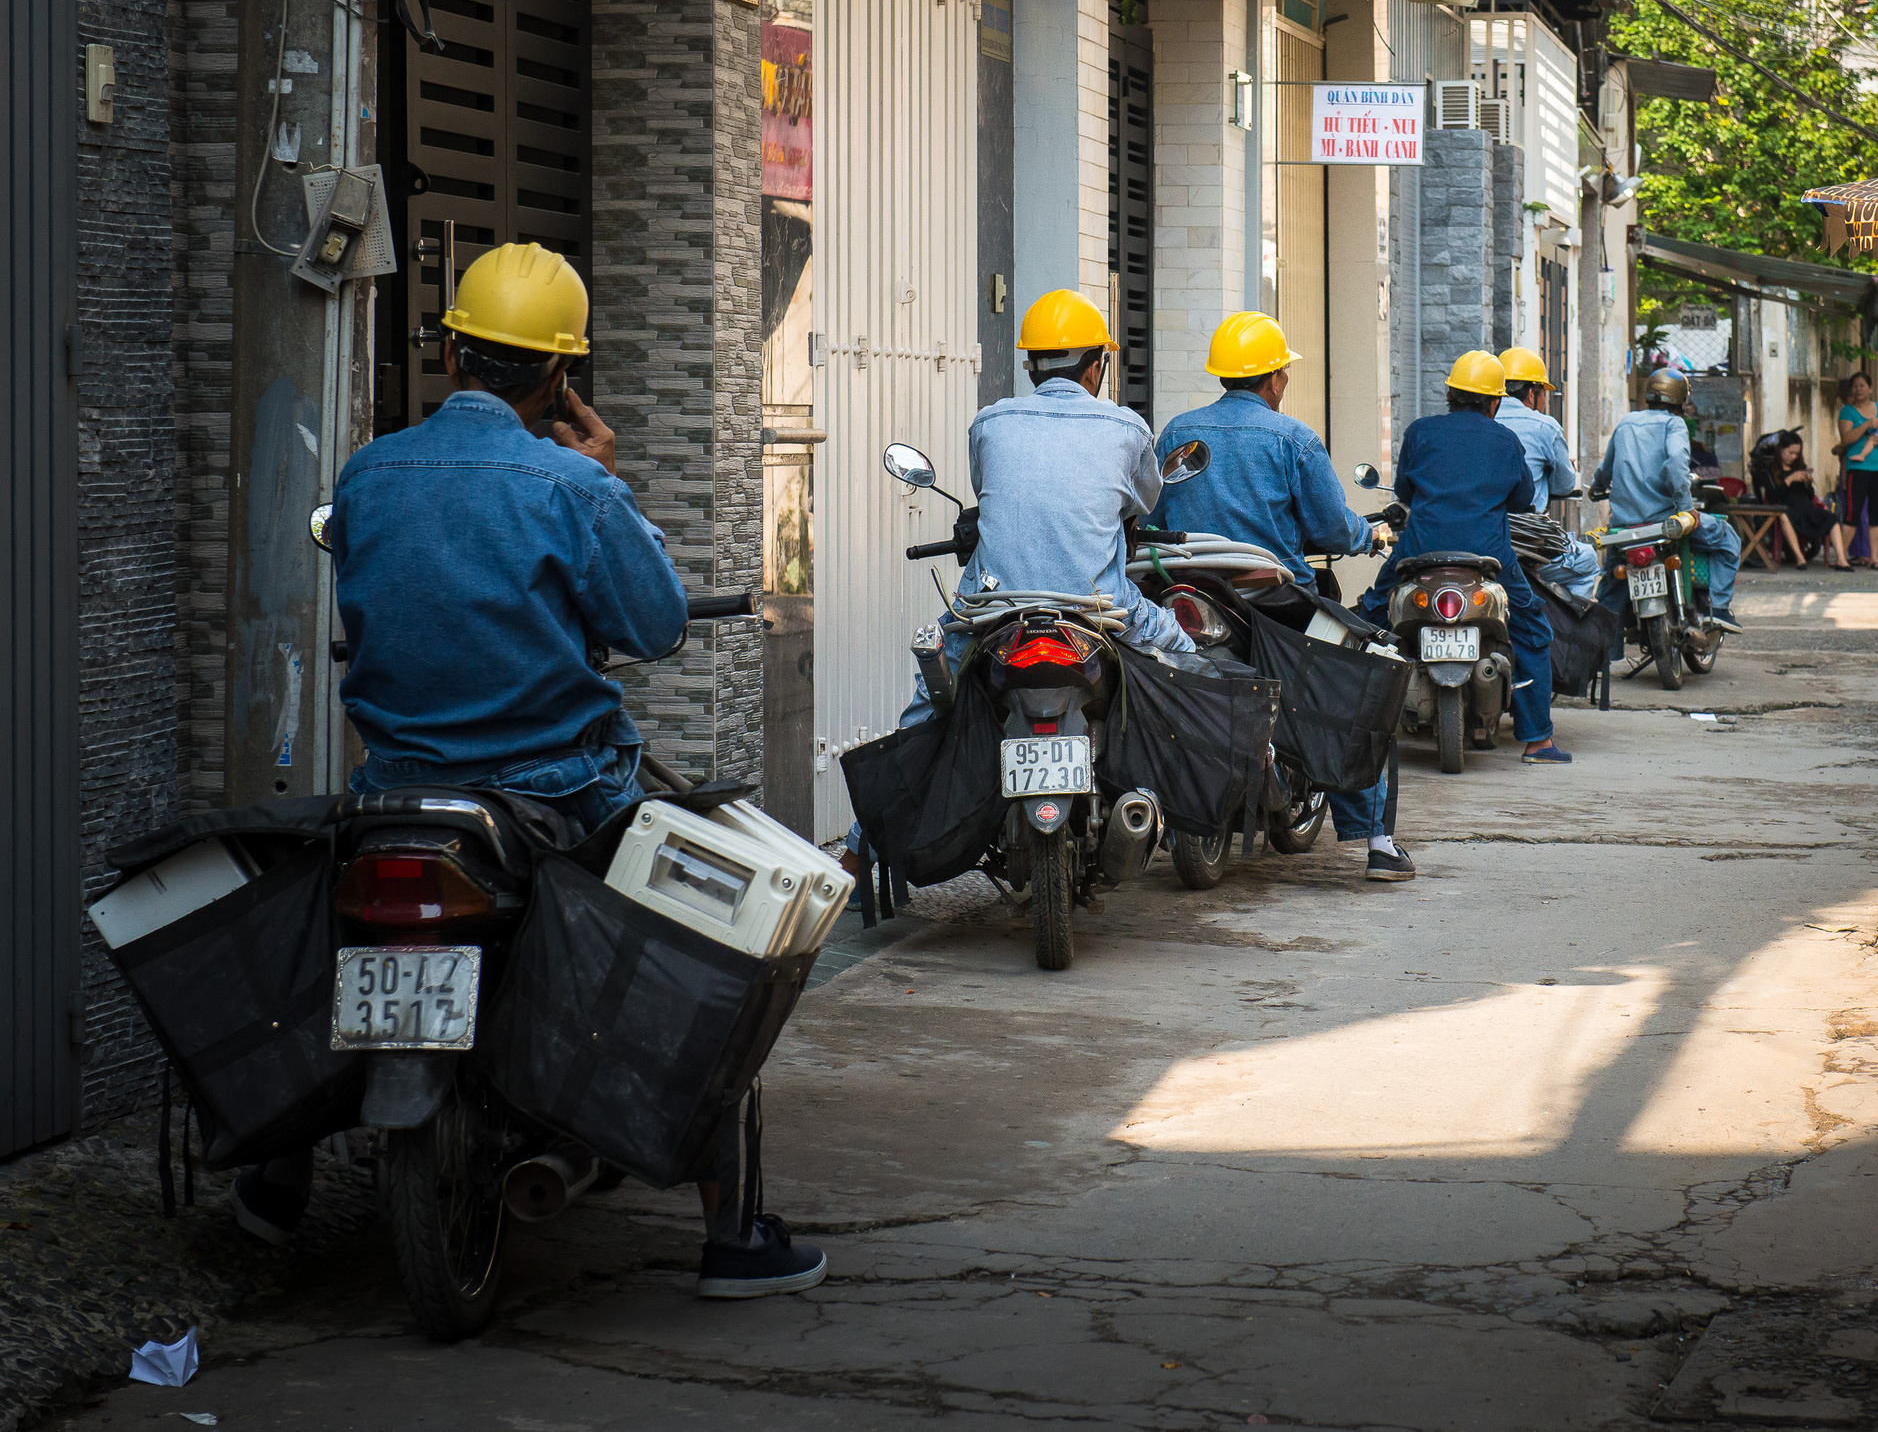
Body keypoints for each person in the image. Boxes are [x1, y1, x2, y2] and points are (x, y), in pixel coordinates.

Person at [236, 242, 825, 1300]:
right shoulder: (571, 483)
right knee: (711, 939)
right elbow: (650, 626)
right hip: (557, 793)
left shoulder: (370, 472)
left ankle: (276, 1172)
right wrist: (608, 481)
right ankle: (731, 1232)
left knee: (322, 923)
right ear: (560, 377)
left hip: (397, 792)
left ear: (454, 350)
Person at [1154, 311, 1414, 882]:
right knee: (1351, 685)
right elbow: (1330, 528)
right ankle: (1378, 842)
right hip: (1275, 601)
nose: (1285, 383)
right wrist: (1365, 535)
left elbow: (1152, 517)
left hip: (1189, 595)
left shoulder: (1176, 432)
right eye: (1284, 373)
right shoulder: (1291, 437)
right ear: (1272, 378)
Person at [900, 288, 1192, 726]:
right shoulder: (1126, 428)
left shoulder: (989, 423)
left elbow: (986, 491)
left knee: (930, 695)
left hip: (992, 606)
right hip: (1101, 609)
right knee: (1186, 655)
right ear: (1096, 366)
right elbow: (1143, 502)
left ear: (1030, 366)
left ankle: (911, 780)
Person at [1361, 351, 1571, 764]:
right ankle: (1537, 741)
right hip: (1489, 556)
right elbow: (1523, 499)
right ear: (1494, 402)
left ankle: (1349, 726)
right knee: (1530, 629)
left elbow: (1403, 491)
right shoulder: (1506, 440)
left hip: (1418, 550)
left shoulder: (1421, 432)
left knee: (1370, 615)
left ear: (1451, 395)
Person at [1594, 368, 1745, 633]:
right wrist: (1686, 509)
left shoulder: (1626, 423)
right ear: (1680, 401)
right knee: (1728, 538)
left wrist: (1597, 488)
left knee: (1610, 584)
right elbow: (1676, 463)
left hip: (1625, 527)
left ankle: (1604, 649)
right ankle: (1718, 609)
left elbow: (1605, 469)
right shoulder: (1673, 424)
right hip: (1666, 524)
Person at [1494, 346, 1602, 600]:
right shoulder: (1544, 426)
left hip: (1479, 537)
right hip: (1526, 542)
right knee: (1586, 560)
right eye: (1544, 393)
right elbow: (1564, 485)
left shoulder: (1481, 421)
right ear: (1532, 393)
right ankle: (1566, 635)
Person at [1751, 430, 1852, 570]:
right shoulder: (1769, 469)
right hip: (1786, 507)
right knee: (1784, 516)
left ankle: (1841, 559)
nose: (1793, 457)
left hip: (1805, 507)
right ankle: (1800, 558)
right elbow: (1774, 496)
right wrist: (1789, 480)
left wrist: (1807, 483)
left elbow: (1810, 496)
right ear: (1781, 449)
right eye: (1790, 452)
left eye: (1796, 454)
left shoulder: (1800, 467)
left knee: (1832, 519)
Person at [1832, 371, 1878, 570]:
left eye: (1862, 385)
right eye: (1855, 386)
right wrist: (1867, 425)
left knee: (1876, 513)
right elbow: (1847, 439)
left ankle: (1874, 558)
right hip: (1858, 467)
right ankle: (1841, 557)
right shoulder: (1847, 412)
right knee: (1852, 513)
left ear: (1870, 389)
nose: (1858, 389)